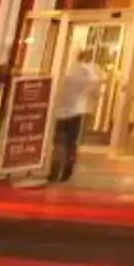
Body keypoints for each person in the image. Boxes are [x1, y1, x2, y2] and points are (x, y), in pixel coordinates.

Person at [48, 53, 99, 183]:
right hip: (76, 111)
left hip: (62, 110)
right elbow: (95, 89)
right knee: (71, 142)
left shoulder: (69, 70)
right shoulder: (87, 72)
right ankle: (67, 169)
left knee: (59, 142)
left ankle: (55, 170)